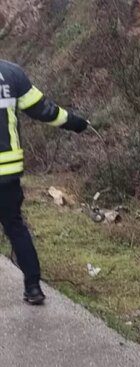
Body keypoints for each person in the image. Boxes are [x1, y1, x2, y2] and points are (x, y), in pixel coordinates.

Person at [0, 59, 88, 304]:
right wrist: (75, 123)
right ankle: (33, 288)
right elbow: (44, 110)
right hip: (7, 173)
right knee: (16, 228)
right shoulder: (11, 73)